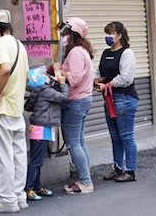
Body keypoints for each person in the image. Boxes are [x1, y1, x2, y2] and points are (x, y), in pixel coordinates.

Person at [0, 8, 30, 213]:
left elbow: (5, 69)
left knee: (2, 156)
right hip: (16, 108)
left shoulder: (1, 43)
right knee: (19, 155)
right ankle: (19, 196)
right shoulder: (20, 44)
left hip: (1, 109)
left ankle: (6, 199)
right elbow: (25, 77)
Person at [55, 17, 95, 195]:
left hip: (76, 101)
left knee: (72, 143)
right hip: (82, 100)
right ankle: (85, 178)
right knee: (79, 141)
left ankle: (85, 182)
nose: (63, 37)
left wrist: (60, 72)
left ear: (73, 34)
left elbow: (75, 79)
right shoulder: (81, 51)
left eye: (65, 33)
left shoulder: (77, 52)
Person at [96, 20, 139, 182]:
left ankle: (130, 170)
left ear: (120, 36)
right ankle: (118, 167)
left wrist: (108, 84)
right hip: (109, 99)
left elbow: (126, 78)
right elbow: (99, 72)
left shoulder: (127, 53)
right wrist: (96, 81)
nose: (108, 36)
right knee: (115, 136)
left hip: (124, 99)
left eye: (111, 33)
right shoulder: (105, 53)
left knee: (126, 136)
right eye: (106, 33)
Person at [24, 66, 69, 202]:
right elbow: (64, 97)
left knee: (38, 160)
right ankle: (29, 188)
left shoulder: (39, 91)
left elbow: (28, 107)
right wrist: (62, 83)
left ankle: (37, 187)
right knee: (36, 161)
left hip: (38, 127)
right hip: (42, 128)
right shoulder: (47, 91)